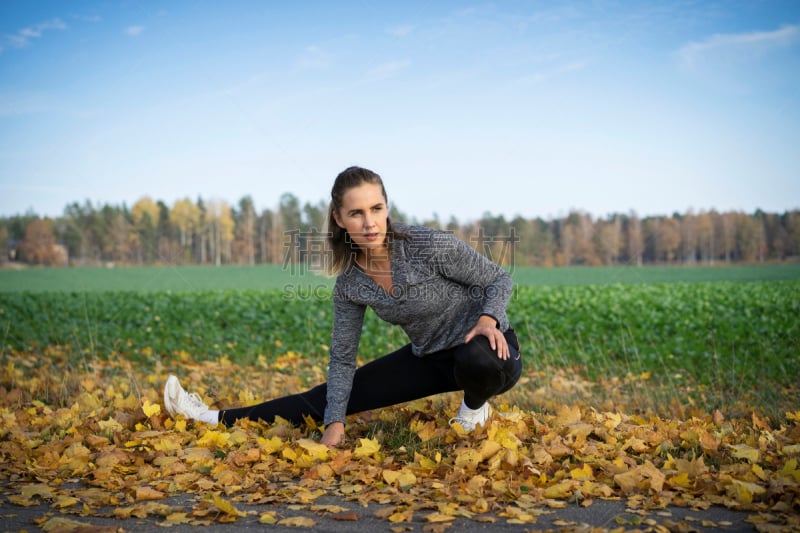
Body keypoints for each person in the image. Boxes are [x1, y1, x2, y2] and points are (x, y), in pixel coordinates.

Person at [164, 166, 522, 447]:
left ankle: (473, 411)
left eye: (377, 209)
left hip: (491, 350)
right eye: (357, 213)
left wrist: (488, 319)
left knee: (477, 359)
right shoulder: (351, 283)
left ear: (387, 208)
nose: (369, 223)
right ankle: (211, 417)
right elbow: (342, 357)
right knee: (326, 398)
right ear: (339, 218)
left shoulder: (425, 244)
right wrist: (334, 423)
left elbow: (498, 278)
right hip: (429, 357)